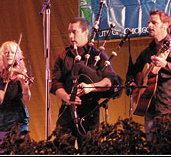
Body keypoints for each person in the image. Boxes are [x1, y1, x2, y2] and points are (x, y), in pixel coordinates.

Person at [50, 17, 122, 148]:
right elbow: (55, 84)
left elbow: (109, 80)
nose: (71, 36)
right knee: (62, 148)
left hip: (90, 112)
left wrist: (91, 87)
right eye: (69, 32)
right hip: (67, 110)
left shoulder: (98, 55)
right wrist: (67, 98)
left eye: (74, 32)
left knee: (90, 149)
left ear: (86, 33)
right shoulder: (62, 57)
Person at [126, 10, 171, 141]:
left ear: (166, 25)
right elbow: (133, 71)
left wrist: (165, 64)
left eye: (154, 22)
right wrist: (132, 83)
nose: (149, 25)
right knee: (153, 148)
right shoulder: (147, 52)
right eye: (149, 22)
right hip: (151, 108)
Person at [0, 41, 32, 132]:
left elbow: (27, 99)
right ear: (2, 56)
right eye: (6, 52)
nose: (9, 55)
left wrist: (25, 85)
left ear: (17, 56)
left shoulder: (20, 72)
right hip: (0, 118)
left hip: (17, 117)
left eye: (12, 52)